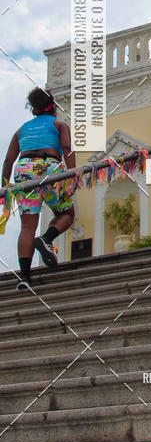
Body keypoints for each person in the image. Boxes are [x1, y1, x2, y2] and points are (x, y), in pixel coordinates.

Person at [1, 88, 76, 290]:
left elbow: (8, 160)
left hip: (23, 170)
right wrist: (73, 174)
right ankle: (46, 238)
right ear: (52, 106)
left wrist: (5, 187)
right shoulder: (59, 124)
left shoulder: (22, 129)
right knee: (67, 213)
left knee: (27, 226)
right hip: (49, 168)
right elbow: (67, 148)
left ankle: (24, 277)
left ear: (34, 109)